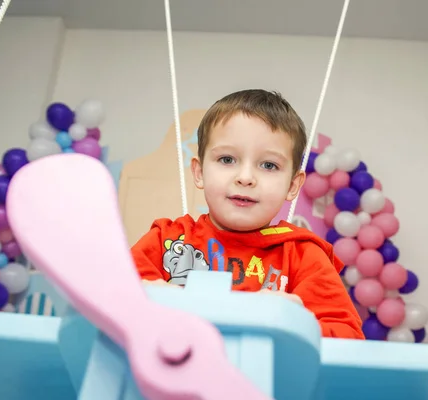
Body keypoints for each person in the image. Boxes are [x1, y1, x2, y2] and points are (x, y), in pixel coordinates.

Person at [131, 89, 364, 339]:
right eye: (227, 159)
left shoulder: (302, 255)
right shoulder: (166, 239)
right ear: (199, 173)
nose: (245, 178)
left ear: (293, 185)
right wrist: (151, 299)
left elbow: (347, 337)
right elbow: (108, 303)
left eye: (269, 165)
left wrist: (295, 322)